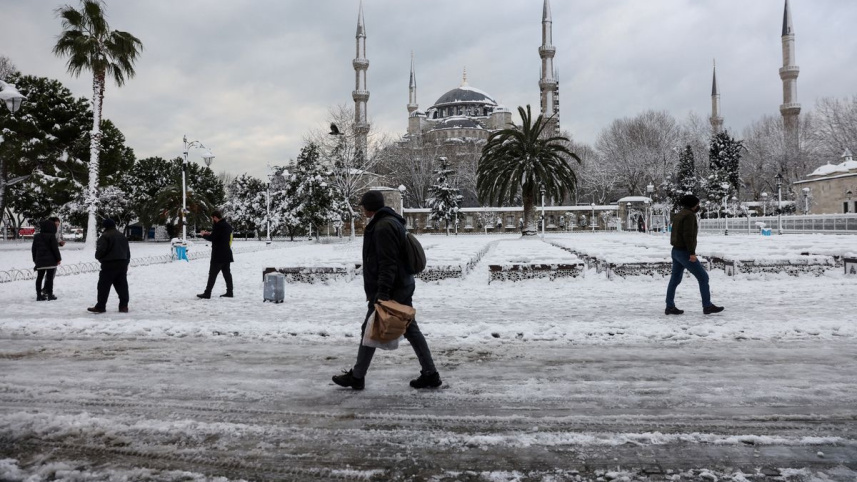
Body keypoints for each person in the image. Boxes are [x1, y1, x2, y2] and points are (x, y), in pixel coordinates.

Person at [333, 190, 442, 390]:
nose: (362, 209)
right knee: (402, 329)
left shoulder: (383, 226)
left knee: (371, 328)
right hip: (400, 285)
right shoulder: (391, 221)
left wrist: (382, 292)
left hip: (392, 289)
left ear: (368, 207)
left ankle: (358, 377)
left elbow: (387, 263)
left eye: (363, 206)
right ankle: (430, 374)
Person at [665, 194, 724, 315]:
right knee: (703, 277)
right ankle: (707, 306)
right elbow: (688, 235)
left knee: (675, 279)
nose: (698, 206)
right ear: (692, 205)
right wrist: (692, 253)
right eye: (697, 204)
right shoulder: (689, 216)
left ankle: (669, 306)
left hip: (675, 251)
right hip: (685, 252)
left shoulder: (679, 214)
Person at [88, 218, 130, 313]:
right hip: (122, 263)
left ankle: (100, 306)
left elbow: (101, 250)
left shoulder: (105, 236)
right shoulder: (122, 236)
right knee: (122, 286)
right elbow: (128, 252)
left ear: (105, 226)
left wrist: (98, 257)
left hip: (109, 264)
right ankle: (124, 306)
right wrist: (126, 263)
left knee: (103, 286)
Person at [197, 210, 234, 299]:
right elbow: (220, 237)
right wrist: (210, 233)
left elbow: (213, 238)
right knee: (227, 274)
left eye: (212, 218)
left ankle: (207, 293)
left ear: (215, 217)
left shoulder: (218, 226)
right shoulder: (227, 226)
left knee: (212, 274)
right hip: (227, 253)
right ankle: (230, 292)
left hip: (218, 255)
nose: (212, 220)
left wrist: (204, 235)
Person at [32, 219, 62, 301]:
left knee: (39, 278)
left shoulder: (37, 236)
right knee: (49, 278)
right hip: (51, 261)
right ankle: (50, 294)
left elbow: (34, 249)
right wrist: (58, 259)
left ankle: (38, 296)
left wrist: (35, 260)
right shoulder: (51, 236)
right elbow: (55, 249)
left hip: (40, 261)